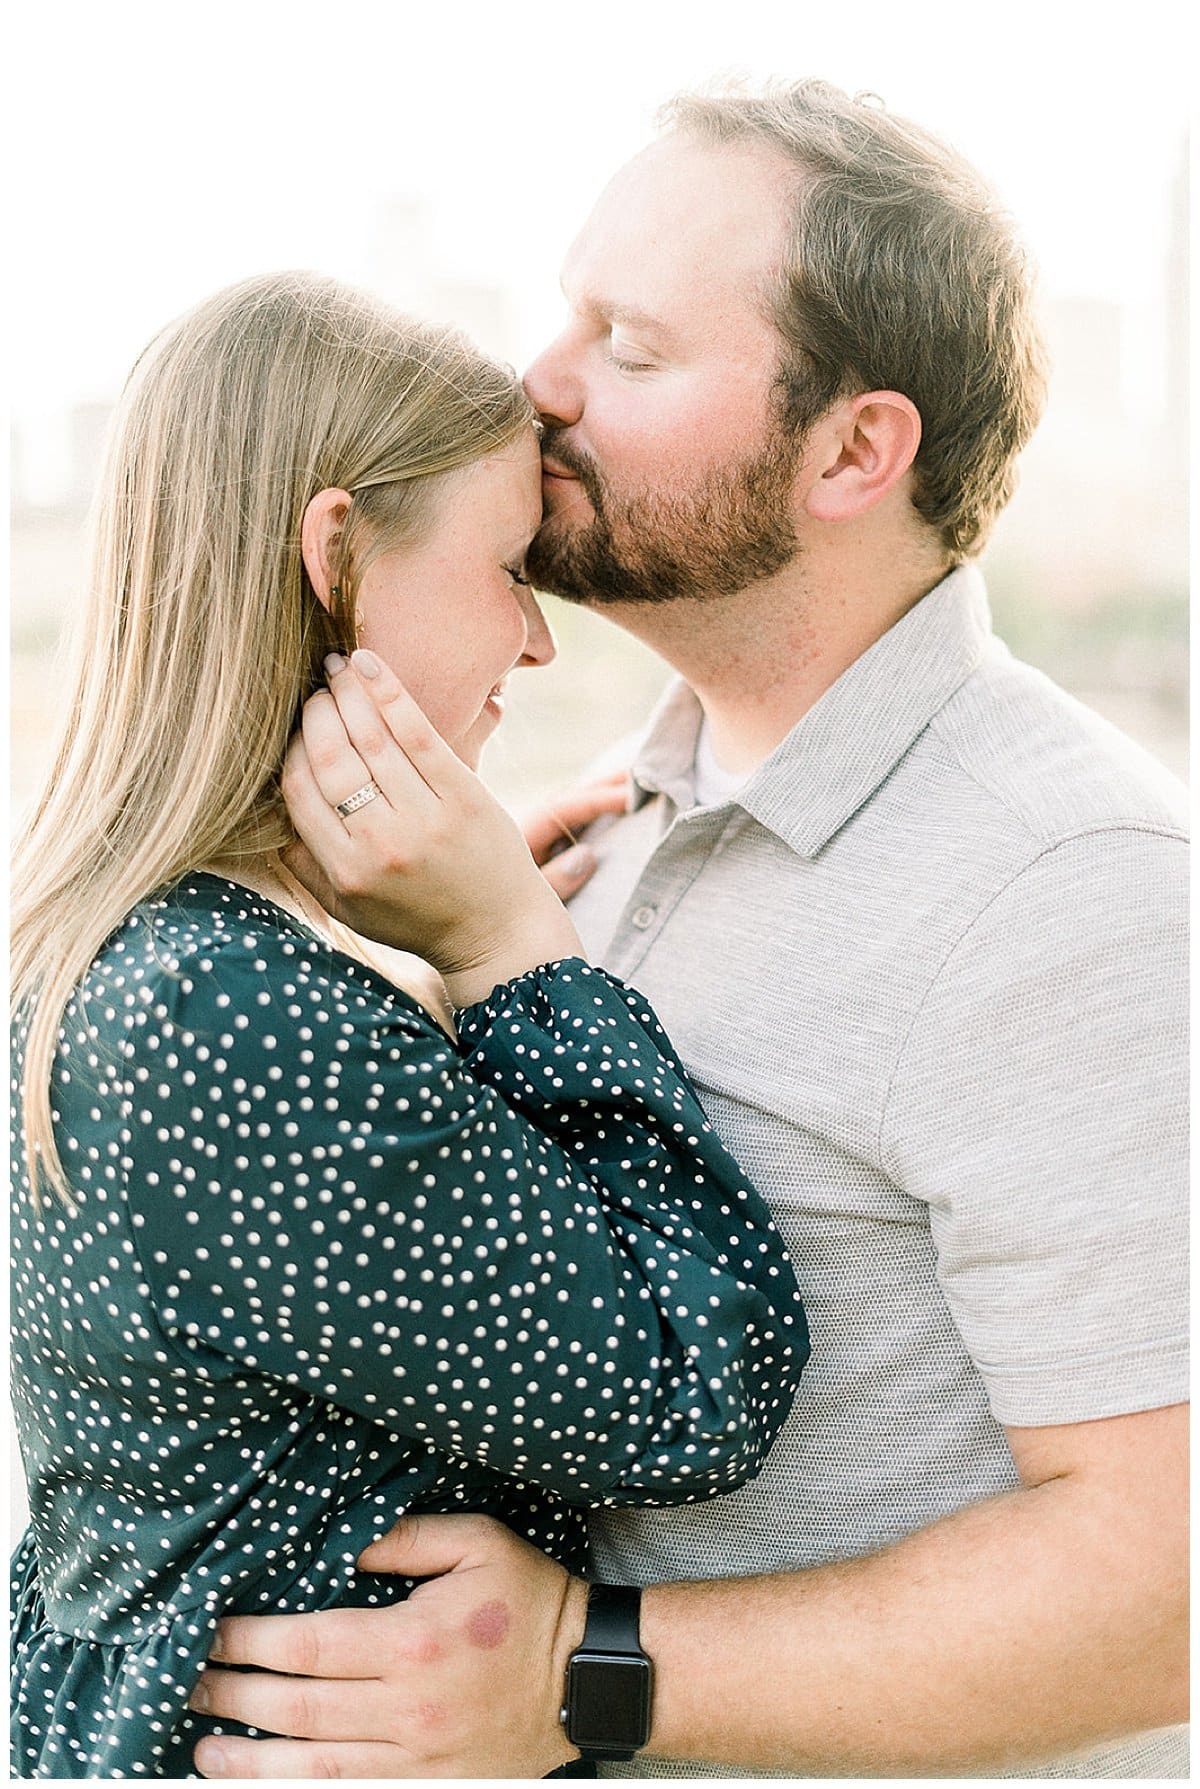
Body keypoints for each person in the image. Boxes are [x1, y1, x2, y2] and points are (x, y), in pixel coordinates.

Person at [189, 80, 1189, 1780]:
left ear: (855, 450)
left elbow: (1169, 1580)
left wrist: (582, 1671)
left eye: (630, 349)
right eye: (565, 314)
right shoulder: (614, 819)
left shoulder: (1068, 884)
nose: (541, 385)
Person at [7, 271, 811, 1779]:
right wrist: (519, 954)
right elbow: (703, 1385)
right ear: (336, 553)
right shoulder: (225, 1019)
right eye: (511, 568)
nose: (537, 644)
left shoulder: (129, 953)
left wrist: (437, 940)